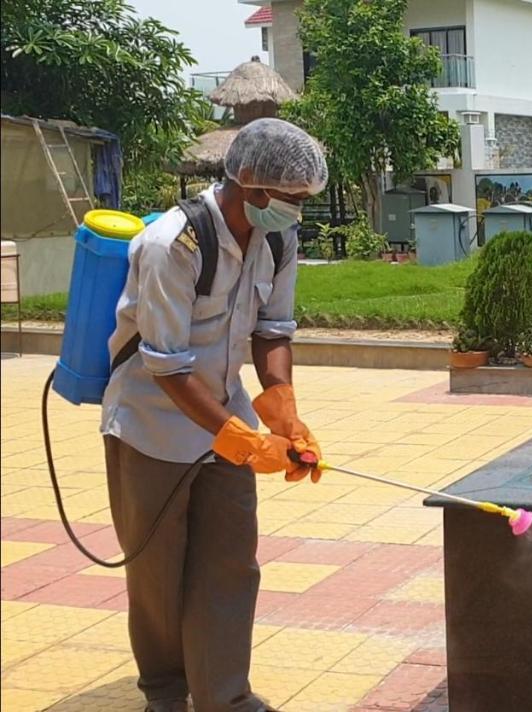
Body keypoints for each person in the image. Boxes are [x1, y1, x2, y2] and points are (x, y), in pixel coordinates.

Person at [100, 117, 328, 712]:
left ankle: (224, 696)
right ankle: (165, 693)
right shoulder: (172, 246)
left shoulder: (277, 237)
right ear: (251, 184)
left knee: (230, 562)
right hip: (150, 426)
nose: (299, 212)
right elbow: (167, 364)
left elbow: (273, 330)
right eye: (293, 199)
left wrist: (281, 410)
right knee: (157, 573)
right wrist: (240, 439)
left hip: (223, 418)